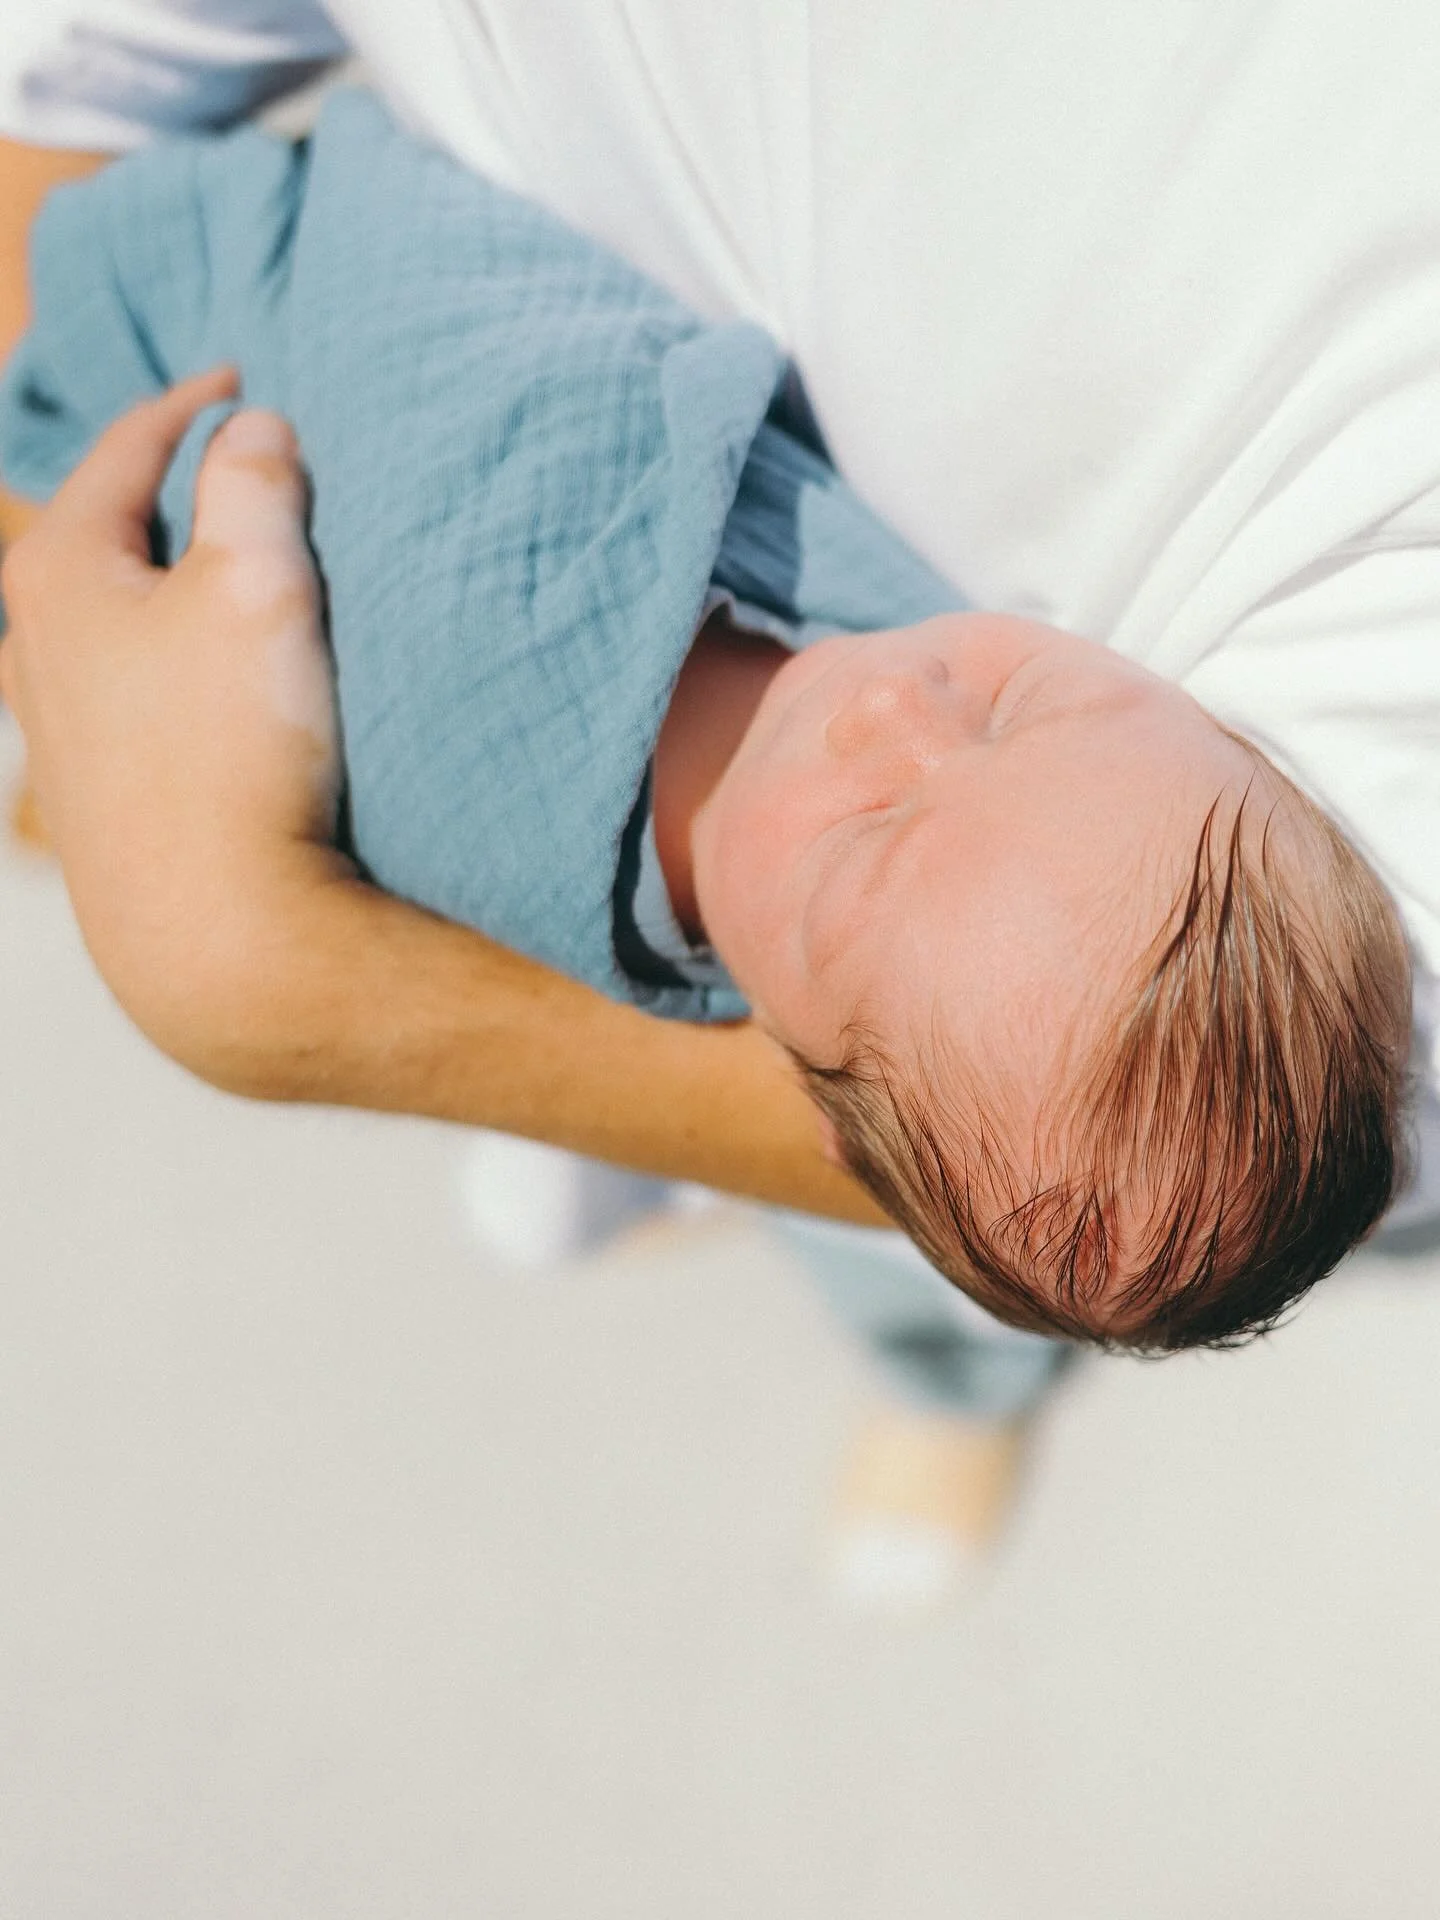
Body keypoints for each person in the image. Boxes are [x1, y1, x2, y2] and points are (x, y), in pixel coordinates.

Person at [3, 0, 1439, 1588]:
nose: (896, 706)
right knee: (955, 1205)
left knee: (920, 1254)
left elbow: (1264, 1123)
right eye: (1021, 702)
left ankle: (942, 1375)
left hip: (912, 1140)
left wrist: (285, 985)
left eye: (871, 844)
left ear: (791, 1078)